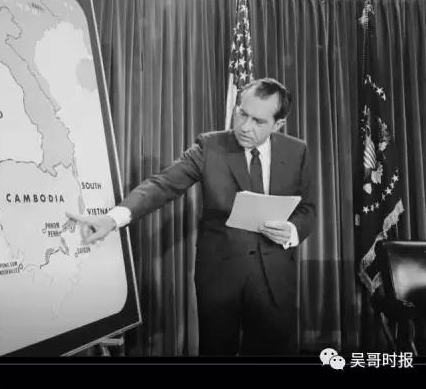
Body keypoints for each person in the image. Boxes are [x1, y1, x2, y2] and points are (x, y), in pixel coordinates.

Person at [67, 78, 316, 355]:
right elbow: (162, 184)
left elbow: (307, 209)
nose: (245, 127)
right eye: (242, 114)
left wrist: (293, 231)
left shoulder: (297, 151)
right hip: (220, 278)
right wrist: (112, 219)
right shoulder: (210, 147)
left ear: (278, 124)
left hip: (275, 280)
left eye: (258, 121)